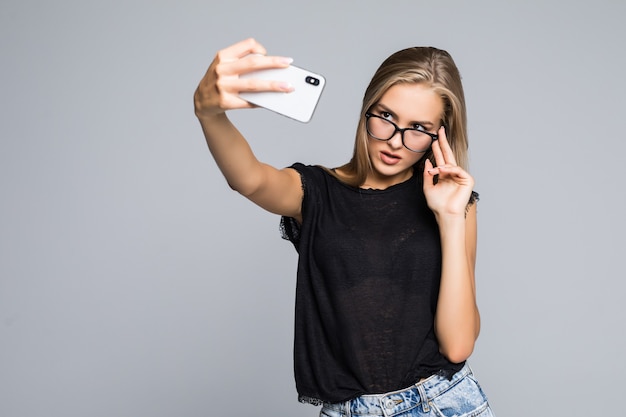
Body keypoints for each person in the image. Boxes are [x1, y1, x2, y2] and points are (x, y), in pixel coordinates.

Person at [194, 38, 495, 417]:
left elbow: (457, 346)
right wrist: (210, 114)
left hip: (442, 404)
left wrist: (451, 220)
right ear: (366, 109)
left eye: (418, 128)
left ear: (441, 135)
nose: (395, 141)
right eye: (385, 116)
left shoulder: (454, 204)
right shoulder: (318, 192)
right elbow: (250, 180)